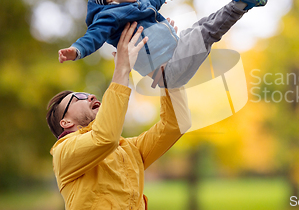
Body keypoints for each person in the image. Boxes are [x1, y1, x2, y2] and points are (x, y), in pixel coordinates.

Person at [47, 21, 191, 209]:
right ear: (65, 122)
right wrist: (122, 67)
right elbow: (106, 137)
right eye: (77, 98)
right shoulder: (63, 152)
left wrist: (166, 72)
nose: (89, 96)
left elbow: (177, 124)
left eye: (86, 94)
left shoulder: (129, 149)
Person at [58, 0, 267, 88]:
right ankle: (242, 2)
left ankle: (240, 0)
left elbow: (152, 0)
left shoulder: (139, 3)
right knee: (206, 32)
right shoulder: (108, 16)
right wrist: (76, 50)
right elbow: (93, 37)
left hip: (175, 50)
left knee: (201, 25)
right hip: (167, 70)